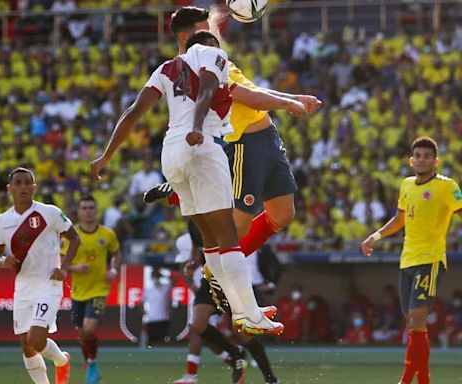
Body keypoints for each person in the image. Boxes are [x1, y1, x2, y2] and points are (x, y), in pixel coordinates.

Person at [91, 30, 283, 335]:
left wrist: (105, 156)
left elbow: (134, 111)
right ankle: (251, 315)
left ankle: (241, 310)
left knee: (210, 240)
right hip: (202, 144)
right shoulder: (213, 54)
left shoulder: (165, 68)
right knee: (228, 235)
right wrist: (196, 126)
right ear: (210, 44)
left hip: (171, 154)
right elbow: (207, 87)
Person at [143, 6, 322, 259]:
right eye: (205, 30)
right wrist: (289, 103)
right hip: (244, 144)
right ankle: (214, 272)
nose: (213, 34)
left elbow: (252, 89)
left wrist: (294, 97)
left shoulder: (216, 59)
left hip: (266, 136)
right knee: (238, 225)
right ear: (187, 38)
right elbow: (249, 97)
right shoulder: (200, 67)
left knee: (283, 214)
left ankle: (184, 197)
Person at [361, 136, 462, 384]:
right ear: (411, 160)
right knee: (414, 326)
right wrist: (375, 236)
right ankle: (424, 380)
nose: (422, 160)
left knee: (417, 319)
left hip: (430, 259)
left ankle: (405, 381)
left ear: (435, 161)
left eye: (427, 156)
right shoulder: (406, 184)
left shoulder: (447, 187)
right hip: (407, 260)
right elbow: (399, 219)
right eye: (418, 156)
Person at [0, 167, 81, 384]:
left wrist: (65, 268)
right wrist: (3, 262)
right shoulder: (1, 221)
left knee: (36, 339)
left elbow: (74, 238)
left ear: (34, 187)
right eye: (18, 183)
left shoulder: (49, 212)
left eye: (26, 183)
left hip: (49, 283)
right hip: (23, 286)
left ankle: (61, 360)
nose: (22, 187)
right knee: (26, 344)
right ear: (9, 189)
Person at [174, 221, 280, 384]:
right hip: (210, 279)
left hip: (232, 279)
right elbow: (197, 249)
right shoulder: (193, 221)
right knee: (198, 324)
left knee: (243, 332)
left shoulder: (220, 212)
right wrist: (193, 263)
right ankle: (235, 353)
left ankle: (270, 379)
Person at [61, 195, 121, 384]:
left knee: (89, 328)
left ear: (97, 211)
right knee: (82, 334)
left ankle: (92, 363)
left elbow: (116, 253)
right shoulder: (71, 236)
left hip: (99, 289)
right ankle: (89, 363)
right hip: (78, 291)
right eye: (84, 208)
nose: (87, 211)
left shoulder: (107, 234)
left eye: (91, 208)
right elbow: (61, 263)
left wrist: (114, 270)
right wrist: (74, 268)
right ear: (78, 212)